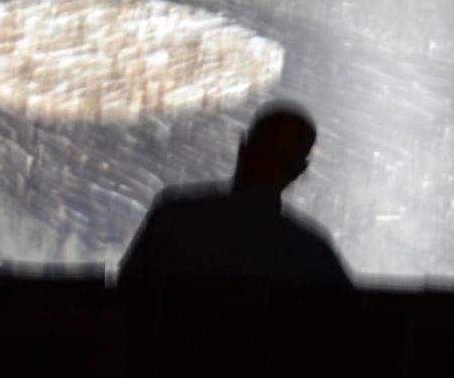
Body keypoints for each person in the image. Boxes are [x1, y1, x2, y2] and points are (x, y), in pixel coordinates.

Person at [116, 100, 355, 291]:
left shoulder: (172, 218)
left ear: (243, 148)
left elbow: (126, 292)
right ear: (299, 170)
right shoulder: (310, 251)